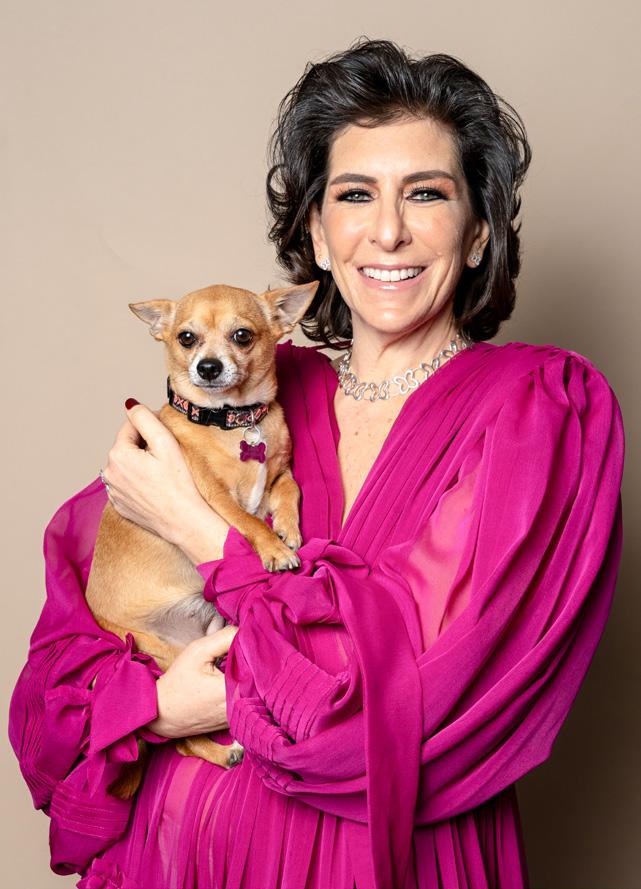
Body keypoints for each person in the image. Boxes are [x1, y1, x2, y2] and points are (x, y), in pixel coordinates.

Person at [9, 38, 625, 889]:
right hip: (175, 858)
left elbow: (403, 690)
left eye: (426, 193)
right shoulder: (250, 397)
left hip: (383, 860)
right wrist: (153, 707)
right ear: (318, 237)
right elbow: (66, 661)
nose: (387, 230)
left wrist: (199, 529)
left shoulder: (536, 405)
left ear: (478, 233)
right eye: (354, 194)